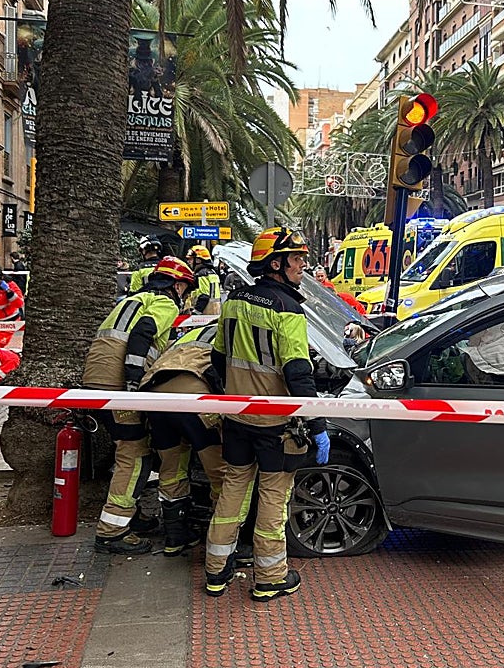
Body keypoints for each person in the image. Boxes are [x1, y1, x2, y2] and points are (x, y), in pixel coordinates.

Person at [204, 226, 330, 600]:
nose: (303, 265)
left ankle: (216, 571)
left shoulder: (234, 300)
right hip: (275, 425)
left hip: (236, 418)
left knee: (233, 490)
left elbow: (218, 358)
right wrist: (317, 424)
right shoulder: (288, 310)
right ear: (275, 264)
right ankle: (270, 577)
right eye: (296, 259)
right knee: (273, 498)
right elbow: (298, 373)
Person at [83, 256, 195, 554]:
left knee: (127, 447)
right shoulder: (165, 303)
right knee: (134, 456)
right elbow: (144, 332)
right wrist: (134, 382)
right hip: (118, 384)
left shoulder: (130, 301)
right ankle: (112, 531)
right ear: (178, 285)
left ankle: (131, 517)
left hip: (95, 380)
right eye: (186, 289)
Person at [138, 323, 236, 558]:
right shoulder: (233, 333)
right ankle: (223, 542)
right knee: (220, 472)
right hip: (195, 397)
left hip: (155, 396)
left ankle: (175, 536)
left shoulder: (193, 332)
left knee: (171, 468)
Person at [186, 245, 222, 315]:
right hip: (215, 310)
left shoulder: (202, 274)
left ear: (198, 260)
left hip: (204, 312)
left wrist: (196, 312)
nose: (189, 262)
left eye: (190, 259)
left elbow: (204, 296)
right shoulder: (212, 272)